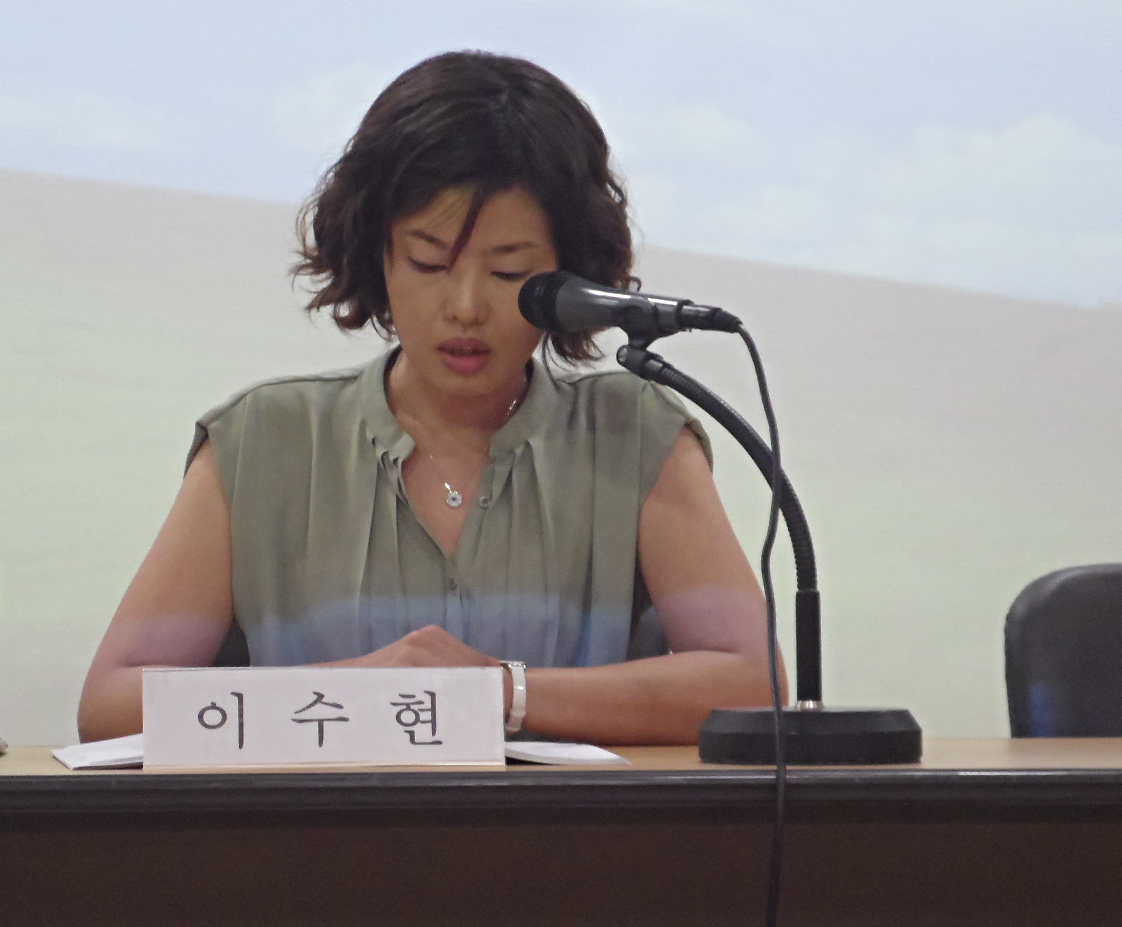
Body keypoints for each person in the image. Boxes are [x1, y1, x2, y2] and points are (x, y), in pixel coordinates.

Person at [77, 51, 776, 745]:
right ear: (376, 255)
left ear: (569, 278)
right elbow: (111, 706)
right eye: (429, 263)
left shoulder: (633, 434)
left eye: (510, 273)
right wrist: (365, 692)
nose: (465, 307)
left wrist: (501, 693)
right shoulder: (265, 439)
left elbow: (755, 686)